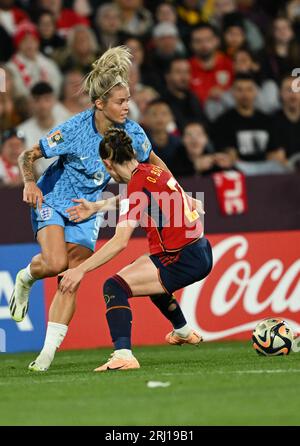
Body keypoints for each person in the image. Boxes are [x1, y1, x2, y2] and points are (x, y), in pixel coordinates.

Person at [10, 46, 172, 372]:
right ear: (100, 104)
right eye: (121, 102)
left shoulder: (133, 134)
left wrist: (177, 192)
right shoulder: (73, 130)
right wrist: (29, 183)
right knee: (56, 263)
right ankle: (26, 278)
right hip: (53, 201)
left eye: (128, 100)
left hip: (89, 211)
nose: (128, 107)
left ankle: (45, 358)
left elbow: (155, 165)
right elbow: (28, 155)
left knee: (72, 277)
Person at [59, 127, 212, 371]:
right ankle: (183, 331)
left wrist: (80, 270)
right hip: (198, 249)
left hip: (182, 257)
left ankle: (123, 355)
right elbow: (136, 196)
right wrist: (97, 207)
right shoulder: (150, 171)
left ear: (108, 163)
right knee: (145, 274)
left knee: (114, 285)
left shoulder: (138, 183)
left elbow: (120, 241)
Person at [17, 82, 71, 178]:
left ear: (54, 101)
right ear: (31, 103)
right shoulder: (22, 131)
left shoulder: (66, 128)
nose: (42, 105)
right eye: (37, 100)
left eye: (47, 99)